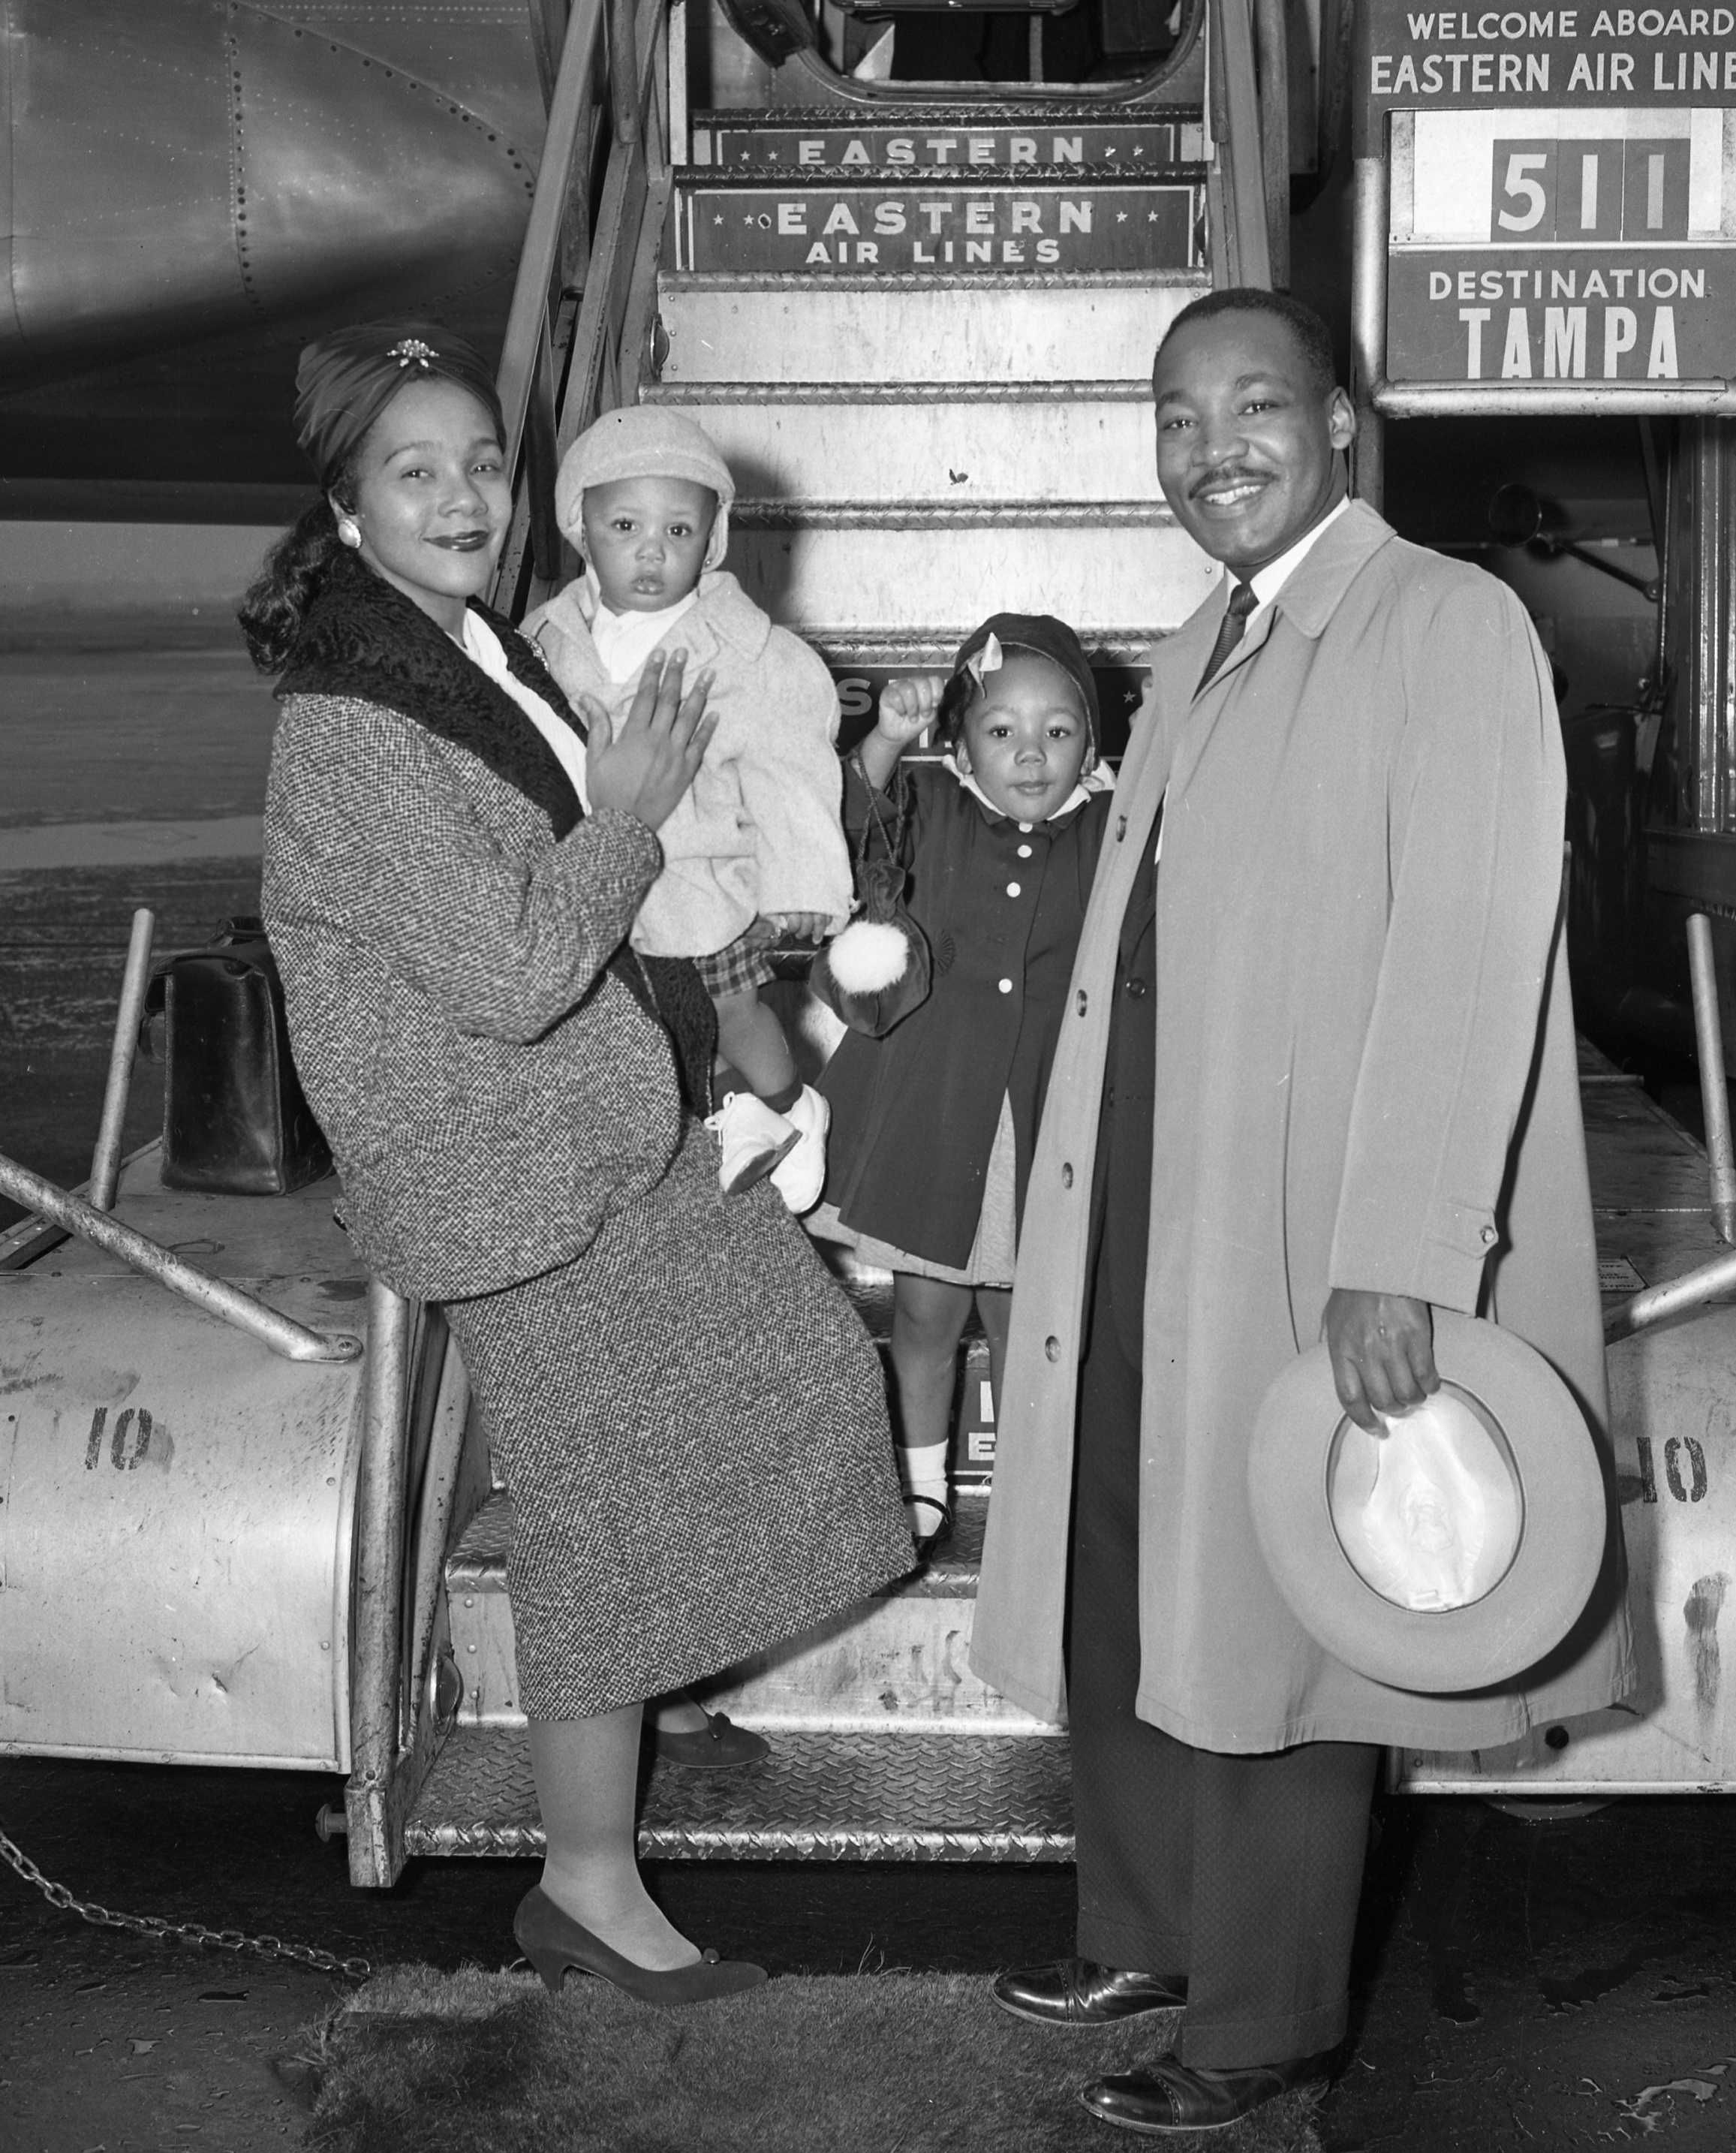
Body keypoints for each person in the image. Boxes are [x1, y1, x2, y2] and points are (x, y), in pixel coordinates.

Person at [969, 288, 1633, 2128]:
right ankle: (1146, 1920)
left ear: (1338, 420)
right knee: (1126, 1552)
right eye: (1175, 419)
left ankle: (1258, 2016)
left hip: (1309, 1214)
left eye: (1252, 406)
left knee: (1285, 1589)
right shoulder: (1199, 637)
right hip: (1148, 1196)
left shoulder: (1440, 618)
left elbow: (1469, 947)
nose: (1210, 450)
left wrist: (1400, 1251)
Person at [249, 323, 913, 2004]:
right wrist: (630, 808)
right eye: (418, 471)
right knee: (607, 1518)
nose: (464, 493)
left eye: (481, 461)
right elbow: (515, 966)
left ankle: (634, 1704)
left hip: (590, 1130)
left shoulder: (465, 647)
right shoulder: (353, 720)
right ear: (345, 510)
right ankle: (591, 1878)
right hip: (504, 1173)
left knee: (799, 1378)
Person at [808, 615, 1112, 1558]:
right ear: (961, 743)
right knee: (926, 1312)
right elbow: (852, 812)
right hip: (936, 1115)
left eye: (1058, 732)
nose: (1031, 754)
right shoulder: (929, 807)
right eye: (1002, 731)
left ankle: (1031, 1488)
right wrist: (889, 739)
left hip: (1045, 1122)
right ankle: (922, 1477)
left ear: (1092, 746)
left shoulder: (1109, 829)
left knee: (1033, 1319)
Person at [524, 405, 853, 1211]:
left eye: (679, 532)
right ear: (581, 527)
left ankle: (790, 1107)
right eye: (625, 525)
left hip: (699, 874)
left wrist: (805, 879)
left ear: (712, 541)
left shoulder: (745, 650)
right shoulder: (545, 637)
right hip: (597, 882)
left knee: (730, 1007)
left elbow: (791, 762)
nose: (650, 550)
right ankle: (728, 1114)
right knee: (647, 1030)